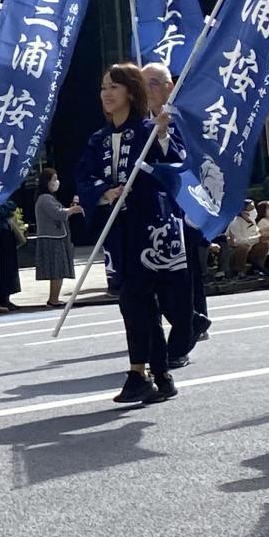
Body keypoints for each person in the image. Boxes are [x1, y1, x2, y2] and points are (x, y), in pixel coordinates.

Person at [76, 63, 188, 405]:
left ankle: (138, 373)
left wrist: (164, 133)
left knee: (134, 299)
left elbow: (175, 164)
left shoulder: (149, 130)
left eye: (114, 87)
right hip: (118, 231)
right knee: (140, 302)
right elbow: (84, 175)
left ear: (130, 91)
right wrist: (105, 192)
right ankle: (161, 374)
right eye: (103, 88)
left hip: (149, 229)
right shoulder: (97, 139)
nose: (107, 94)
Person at [141, 62, 207, 368]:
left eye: (153, 83)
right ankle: (192, 320)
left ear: (169, 86)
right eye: (142, 85)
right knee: (154, 282)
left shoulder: (181, 118)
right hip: (146, 214)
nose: (147, 91)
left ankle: (181, 341)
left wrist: (164, 134)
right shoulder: (137, 122)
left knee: (183, 280)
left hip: (181, 212)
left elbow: (187, 162)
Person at [34, 168, 83, 307]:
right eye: (54, 179)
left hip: (56, 236)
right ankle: (53, 299)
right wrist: (72, 210)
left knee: (58, 271)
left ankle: (54, 298)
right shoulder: (45, 198)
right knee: (56, 270)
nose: (56, 182)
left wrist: (70, 209)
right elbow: (58, 213)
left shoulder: (49, 197)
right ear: (47, 182)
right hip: (52, 238)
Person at [226, 198, 269, 277]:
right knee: (243, 247)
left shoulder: (252, 222)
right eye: (251, 209)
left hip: (251, 249)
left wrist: (263, 236)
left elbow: (257, 234)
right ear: (243, 212)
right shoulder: (235, 223)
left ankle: (257, 268)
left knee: (264, 244)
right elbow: (237, 242)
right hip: (236, 252)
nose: (254, 211)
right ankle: (239, 271)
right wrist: (256, 239)